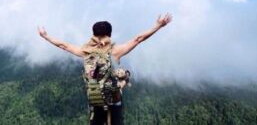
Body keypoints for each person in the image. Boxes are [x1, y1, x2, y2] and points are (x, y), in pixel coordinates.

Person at [37, 13, 173, 124]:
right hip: (114, 103)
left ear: (93, 33)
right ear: (110, 34)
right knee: (122, 81)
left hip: (94, 102)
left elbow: (64, 45)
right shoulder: (115, 51)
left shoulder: (85, 51)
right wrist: (159, 25)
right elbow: (138, 39)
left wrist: (45, 36)